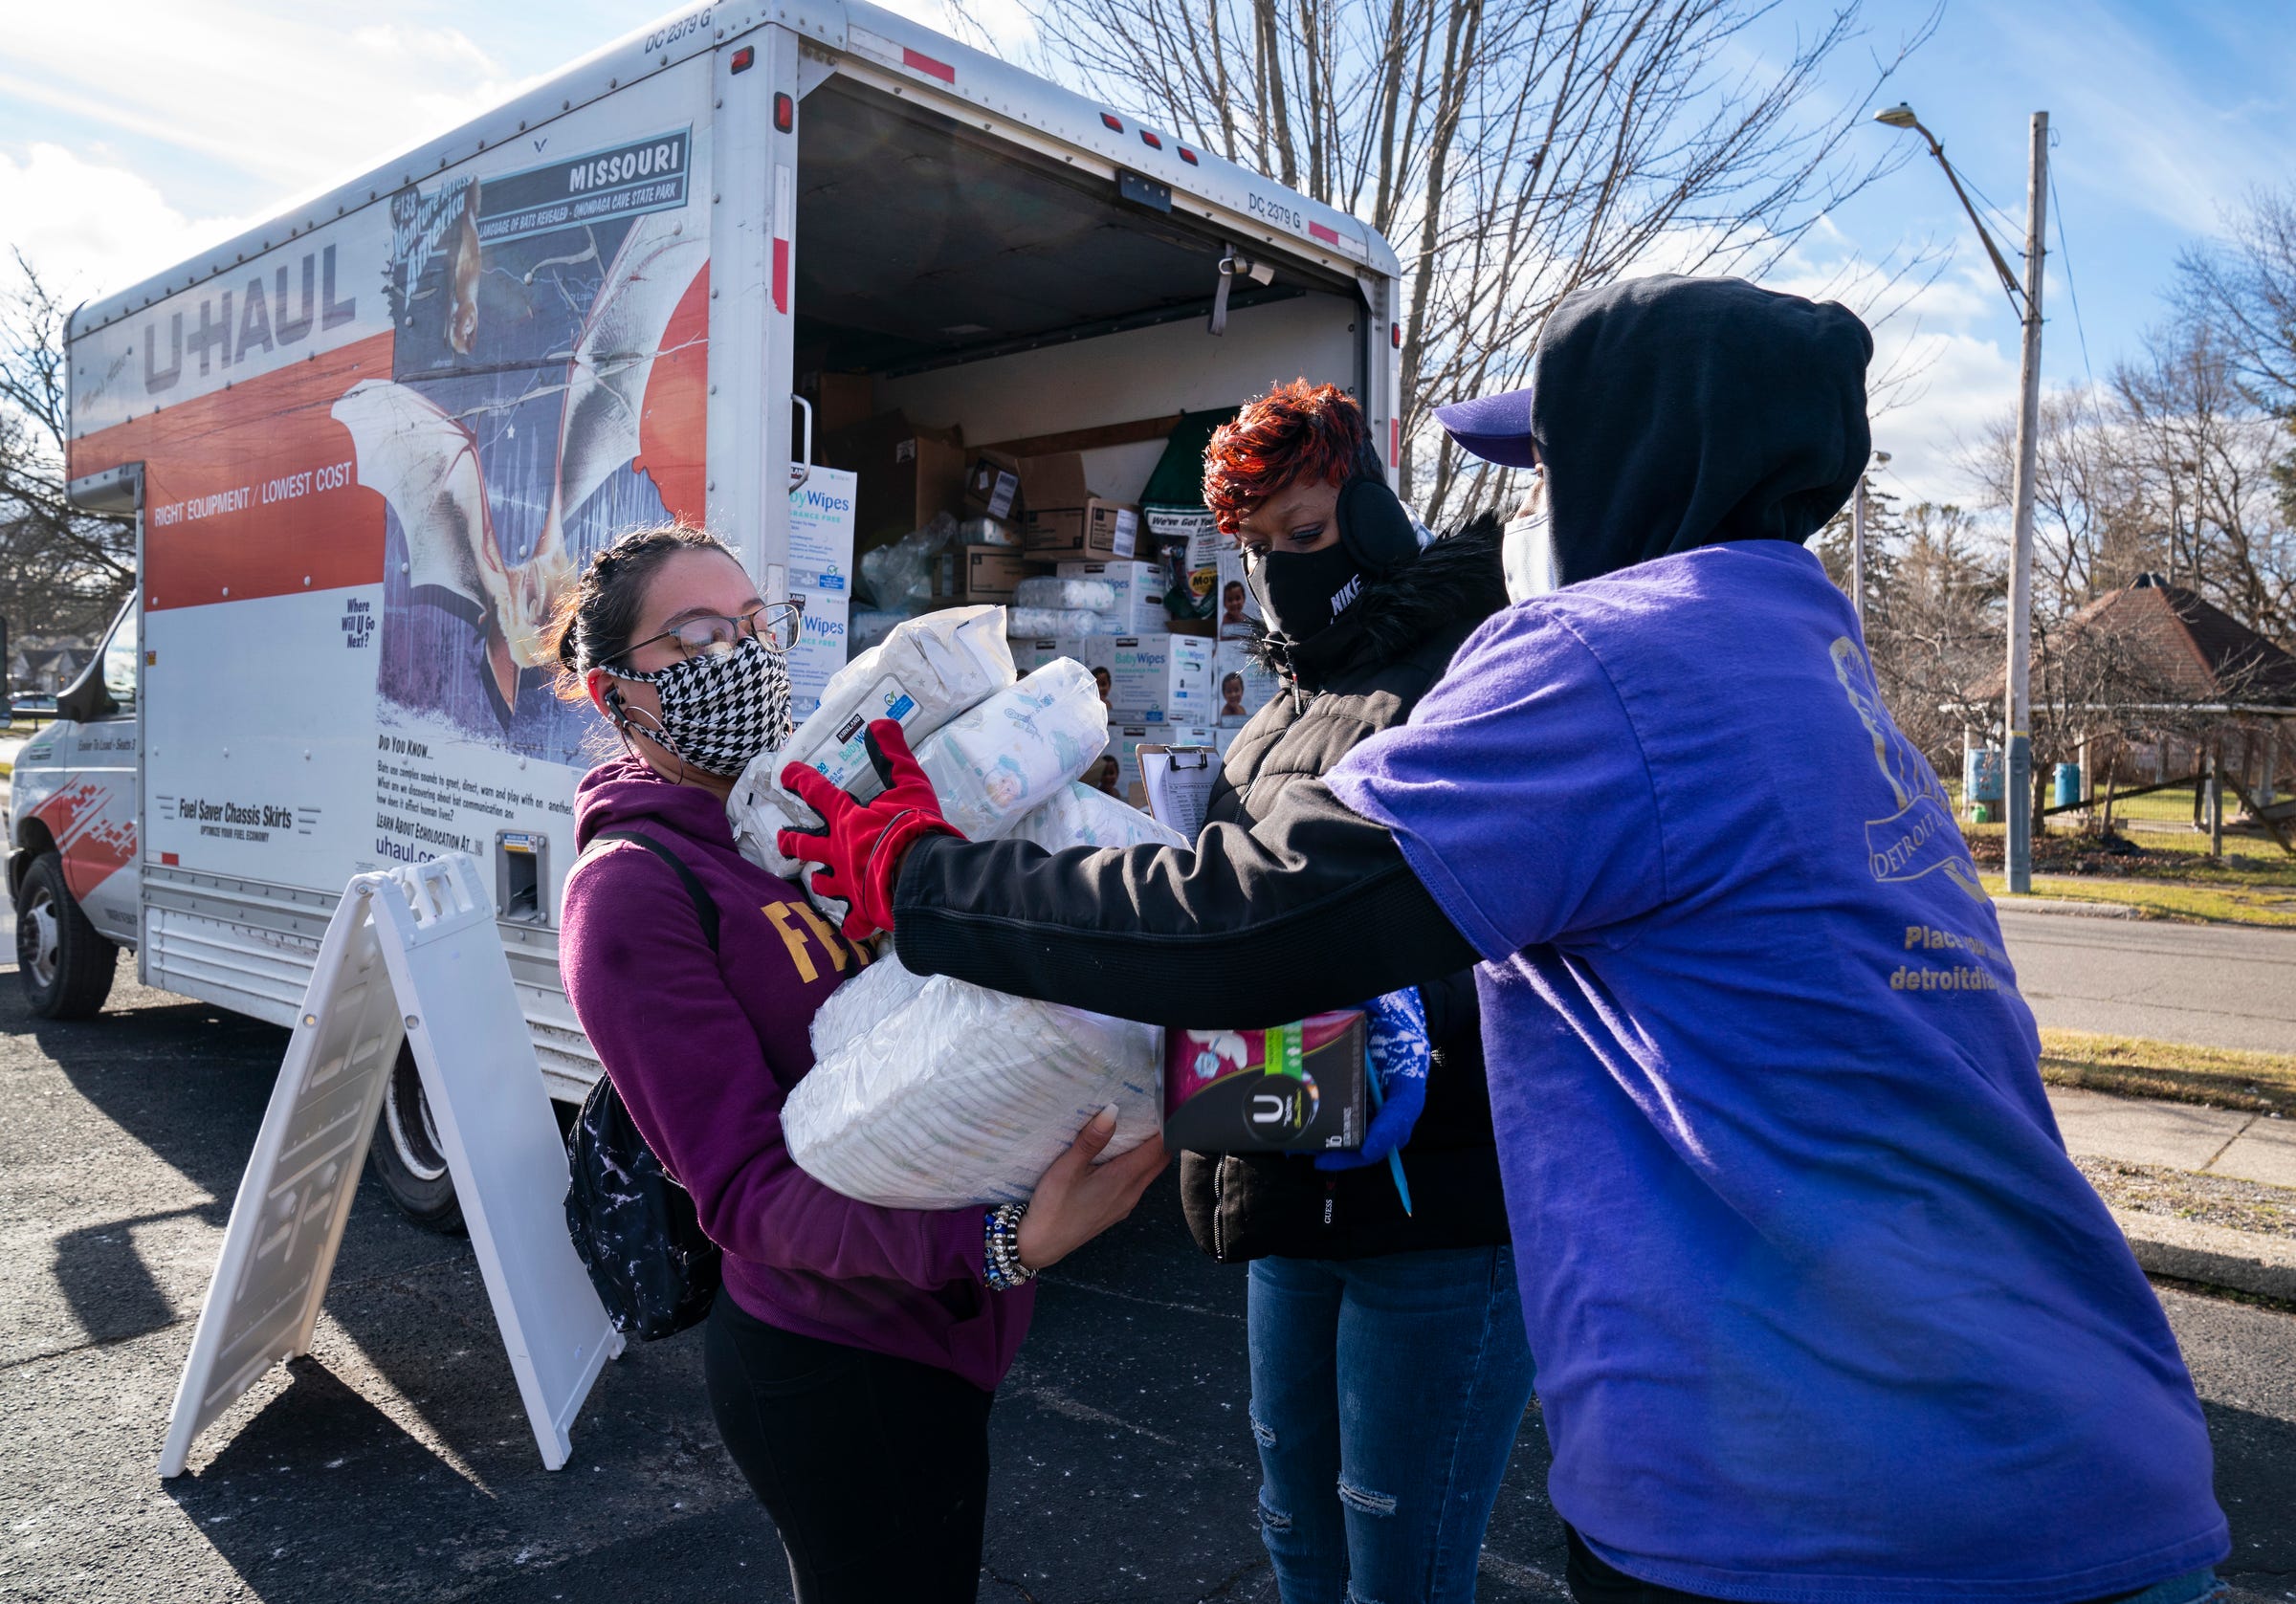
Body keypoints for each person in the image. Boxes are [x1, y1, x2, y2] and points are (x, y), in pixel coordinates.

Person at [779, 278, 2230, 1603]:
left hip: (1846, 1500)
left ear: (1647, 466)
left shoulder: (1618, 650)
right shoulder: (1806, 660)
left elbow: (1270, 920)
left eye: (1546, 469)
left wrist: (922, 878)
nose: (1520, 511)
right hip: (2059, 1441)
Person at [790, 382, 1534, 1604]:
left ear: (1378, 508)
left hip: (1435, 1213)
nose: (1286, 573)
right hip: (1281, 1177)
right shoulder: (1262, 725)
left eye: (1306, 534)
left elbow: (1503, 931)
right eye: (1256, 551)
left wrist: (1411, 1009)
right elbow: (1211, 922)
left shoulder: (1474, 680)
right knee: (1296, 1525)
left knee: (1401, 1562)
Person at [551, 525, 1165, 1604]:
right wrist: (1003, 1243)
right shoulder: (631, 894)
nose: (740, 655)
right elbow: (743, 1195)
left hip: (940, 1329)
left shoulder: (786, 821)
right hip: (837, 1358)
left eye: (753, 626)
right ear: (619, 695)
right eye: (694, 637)